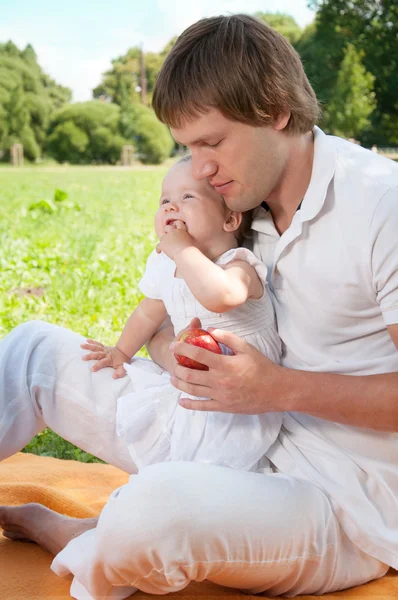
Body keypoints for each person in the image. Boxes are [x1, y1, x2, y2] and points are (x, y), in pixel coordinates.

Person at [0, 12, 397, 600]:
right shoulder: (236, 201)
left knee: (152, 512)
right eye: (188, 147)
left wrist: (277, 388)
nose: (200, 168)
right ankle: (104, 530)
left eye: (212, 142)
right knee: (33, 348)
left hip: (339, 500)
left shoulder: (379, 204)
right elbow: (168, 325)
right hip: (212, 431)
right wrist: (177, 352)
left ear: (275, 110)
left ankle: (85, 533)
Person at [80, 154, 282, 472]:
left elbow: (221, 296)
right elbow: (148, 313)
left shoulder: (239, 265)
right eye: (165, 200)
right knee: (184, 445)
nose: (171, 208)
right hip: (196, 388)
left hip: (242, 400)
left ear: (230, 220)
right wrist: (120, 351)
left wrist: (181, 249)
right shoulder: (167, 266)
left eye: (187, 197)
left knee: (224, 464)